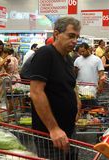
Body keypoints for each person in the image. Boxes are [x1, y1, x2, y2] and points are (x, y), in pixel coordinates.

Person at [28, 17, 81, 159]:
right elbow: (36, 92)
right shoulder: (45, 54)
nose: (75, 41)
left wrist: (77, 102)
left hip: (68, 128)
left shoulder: (68, 58)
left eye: (77, 37)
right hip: (50, 134)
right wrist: (54, 128)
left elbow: (70, 85)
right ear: (56, 34)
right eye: (71, 36)